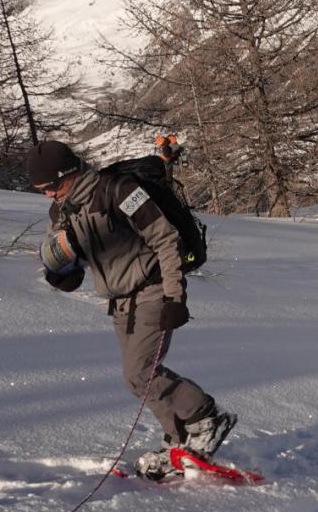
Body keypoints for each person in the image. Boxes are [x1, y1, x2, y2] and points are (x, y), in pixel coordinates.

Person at [28, 140, 235, 479]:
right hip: (121, 300)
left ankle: (206, 418)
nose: (48, 194)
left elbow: (166, 240)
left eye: (51, 186)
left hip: (153, 289)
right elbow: (66, 254)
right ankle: (180, 439)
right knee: (138, 378)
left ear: (68, 173)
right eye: (41, 190)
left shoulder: (120, 191)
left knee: (140, 373)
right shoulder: (62, 211)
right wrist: (61, 273)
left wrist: (174, 298)